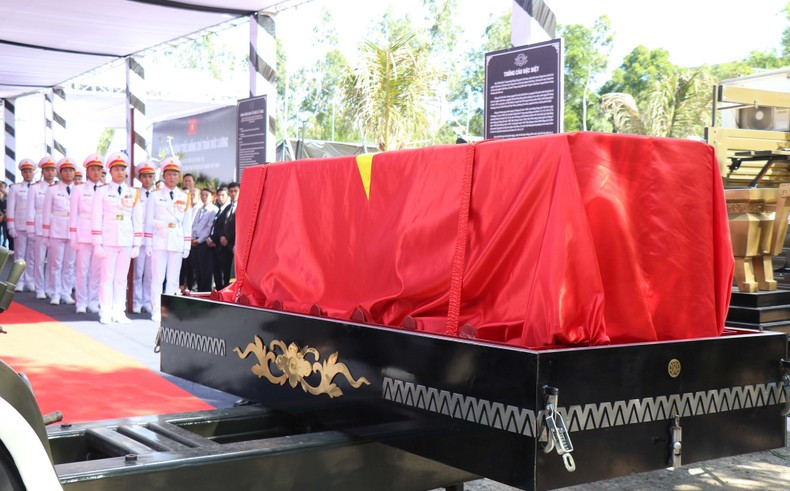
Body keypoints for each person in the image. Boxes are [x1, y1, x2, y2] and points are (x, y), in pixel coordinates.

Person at [92, 152, 143, 324]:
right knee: (107, 277)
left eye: (122, 169)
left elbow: (137, 219)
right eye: (116, 169)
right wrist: (97, 242)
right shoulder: (102, 191)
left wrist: (137, 243)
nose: (120, 172)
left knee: (121, 278)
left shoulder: (133, 193)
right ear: (110, 171)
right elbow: (96, 216)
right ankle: (106, 311)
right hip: (108, 239)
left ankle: (119, 310)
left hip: (126, 239)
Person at [145, 156, 192, 323]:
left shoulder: (184, 196)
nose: (172, 177)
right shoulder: (155, 196)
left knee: (173, 279)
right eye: (169, 174)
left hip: (177, 240)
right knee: (157, 278)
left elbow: (187, 222)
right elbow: (148, 220)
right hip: (160, 239)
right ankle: (156, 309)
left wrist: (187, 244)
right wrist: (148, 242)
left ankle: (170, 309)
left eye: (175, 174)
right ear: (163, 176)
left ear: (179, 176)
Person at [70, 154, 103, 314]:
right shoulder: (79, 189)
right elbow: (73, 214)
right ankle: (81, 301)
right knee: (82, 270)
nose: (96, 172)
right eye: (92, 169)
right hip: (83, 233)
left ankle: (93, 301)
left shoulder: (106, 189)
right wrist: (73, 236)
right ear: (87, 171)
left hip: (101, 235)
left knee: (97, 271)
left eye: (98, 169)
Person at [42, 157, 76, 305]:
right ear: (60, 173)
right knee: (55, 264)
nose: (68, 173)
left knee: (69, 264)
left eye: (71, 170)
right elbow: (46, 212)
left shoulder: (79, 190)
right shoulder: (53, 190)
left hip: (73, 232)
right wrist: (46, 234)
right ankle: (55, 293)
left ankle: (66, 293)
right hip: (56, 231)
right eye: (65, 170)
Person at [26, 155, 57, 300]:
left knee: (52, 261)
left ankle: (50, 288)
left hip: (55, 227)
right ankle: (40, 288)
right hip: (39, 227)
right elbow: (30, 209)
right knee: (39, 260)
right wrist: (30, 229)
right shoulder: (35, 188)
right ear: (42, 172)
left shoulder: (58, 188)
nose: (50, 173)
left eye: (52, 170)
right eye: (47, 170)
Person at [7, 158, 36, 291]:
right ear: (22, 173)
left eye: (30, 171)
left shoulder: (38, 187)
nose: (28, 174)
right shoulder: (15, 188)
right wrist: (10, 226)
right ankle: (18, 281)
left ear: (33, 172)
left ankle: (30, 280)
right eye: (25, 172)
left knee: (32, 256)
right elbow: (11, 208)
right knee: (19, 255)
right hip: (19, 226)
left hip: (34, 227)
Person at [132, 161, 156, 314]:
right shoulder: (135, 194)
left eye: (150, 176)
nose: (147, 179)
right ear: (140, 178)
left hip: (153, 239)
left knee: (150, 274)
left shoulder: (158, 195)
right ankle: (136, 301)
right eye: (145, 176)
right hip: (139, 239)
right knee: (137, 273)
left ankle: (147, 301)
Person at [191, 187, 217, 291]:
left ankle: (206, 291)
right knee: (197, 269)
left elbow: (209, 228)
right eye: (202, 195)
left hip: (204, 243)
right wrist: (192, 238)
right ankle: (199, 290)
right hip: (195, 241)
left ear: (212, 197)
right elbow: (194, 225)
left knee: (205, 269)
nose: (204, 197)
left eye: (206, 195)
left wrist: (199, 240)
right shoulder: (200, 209)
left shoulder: (213, 210)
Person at [207, 186, 230, 289]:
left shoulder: (228, 209)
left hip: (222, 246)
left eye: (223, 195)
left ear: (228, 196)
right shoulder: (220, 209)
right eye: (219, 195)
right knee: (216, 272)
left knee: (224, 274)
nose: (220, 198)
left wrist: (213, 239)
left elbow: (223, 228)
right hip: (214, 246)